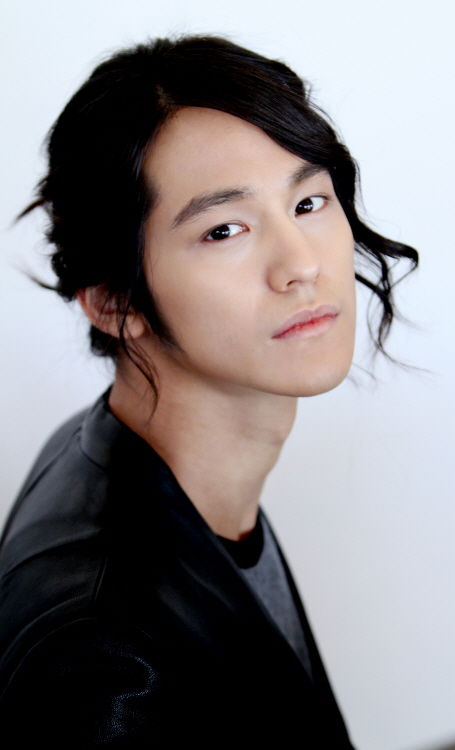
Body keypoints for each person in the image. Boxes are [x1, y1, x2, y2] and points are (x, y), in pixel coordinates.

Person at [0, 34, 418, 747]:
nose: (301, 265)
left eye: (308, 202)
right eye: (224, 230)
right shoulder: (108, 668)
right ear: (112, 301)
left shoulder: (108, 447)